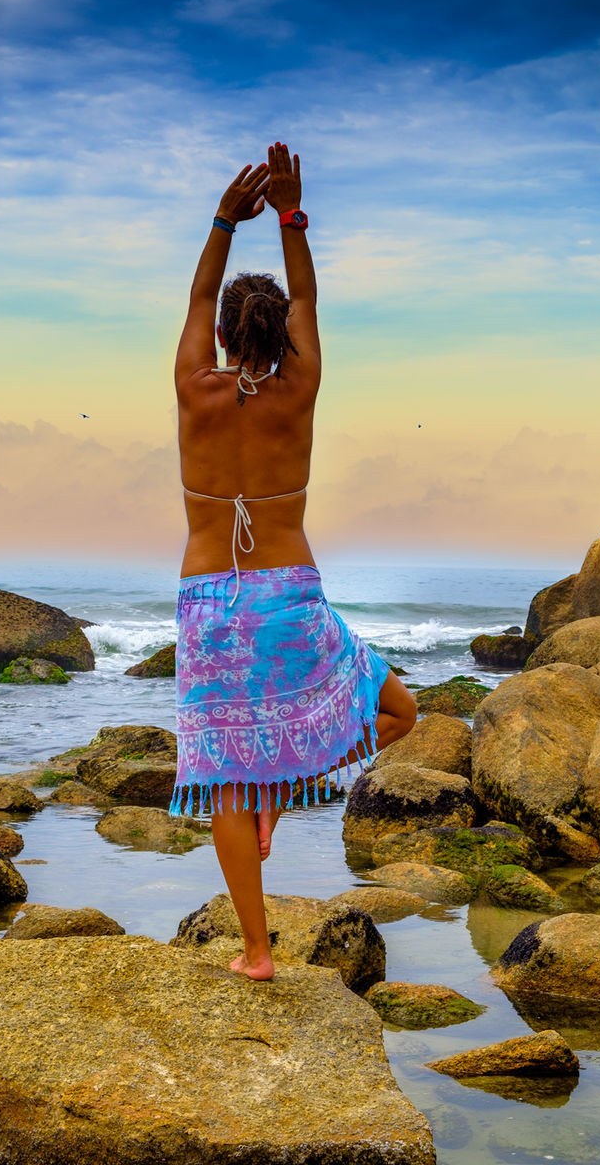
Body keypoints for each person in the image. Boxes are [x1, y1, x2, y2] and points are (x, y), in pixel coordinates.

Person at [172, 142, 416, 980]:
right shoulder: (299, 387)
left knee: (228, 790)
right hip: (287, 596)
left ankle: (254, 951)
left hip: (207, 601)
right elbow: (305, 291)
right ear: (281, 334)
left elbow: (204, 291)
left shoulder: (193, 387)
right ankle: (282, 783)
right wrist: (290, 212)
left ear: (220, 333)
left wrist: (220, 221)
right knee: (400, 715)